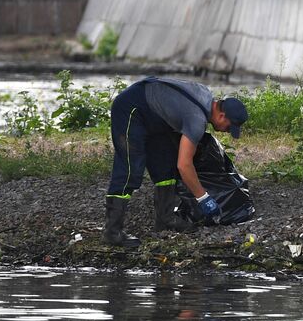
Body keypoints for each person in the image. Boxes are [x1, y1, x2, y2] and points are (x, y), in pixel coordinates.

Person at [104, 76, 250, 247]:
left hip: (155, 118)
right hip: (131, 109)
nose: (226, 131)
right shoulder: (197, 120)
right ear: (222, 115)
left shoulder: (205, 96)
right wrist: (203, 198)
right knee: (130, 169)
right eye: (229, 126)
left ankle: (165, 220)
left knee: (165, 165)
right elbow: (184, 165)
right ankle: (112, 232)